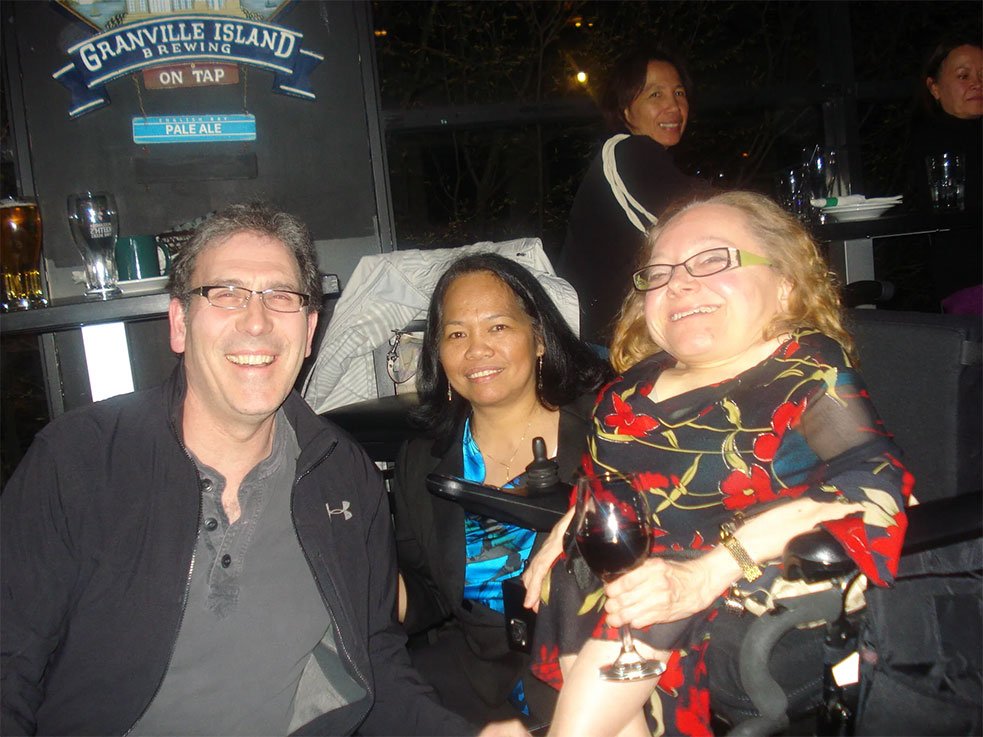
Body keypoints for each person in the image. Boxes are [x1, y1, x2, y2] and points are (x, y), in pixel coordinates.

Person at [0, 203, 527, 737]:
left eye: (282, 297)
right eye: (225, 293)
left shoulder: (344, 478)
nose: (257, 321)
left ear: (309, 330)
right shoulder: (80, 462)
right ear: (180, 323)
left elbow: (376, 667)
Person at [522, 191, 911, 736]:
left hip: (755, 585)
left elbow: (877, 486)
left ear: (784, 284)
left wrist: (712, 569)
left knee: (636, 598)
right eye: (659, 274)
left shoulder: (806, 367)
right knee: (583, 576)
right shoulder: (627, 391)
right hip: (634, 594)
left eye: (712, 260)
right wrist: (575, 520)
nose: (678, 283)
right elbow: (606, 482)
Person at [393, 253, 613, 728]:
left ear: (538, 337)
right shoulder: (422, 460)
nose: (476, 350)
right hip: (474, 679)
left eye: (496, 327)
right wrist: (374, 590)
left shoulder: (611, 430)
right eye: (456, 334)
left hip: (596, 677)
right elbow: (430, 589)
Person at [559, 44, 708, 346]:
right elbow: (694, 218)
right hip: (604, 344)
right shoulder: (625, 150)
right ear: (626, 110)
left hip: (625, 335)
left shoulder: (652, 162)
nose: (673, 106)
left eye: (679, 93)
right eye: (656, 95)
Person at [906, 34, 982, 308]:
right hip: (968, 279)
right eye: (964, 76)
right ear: (934, 88)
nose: (977, 83)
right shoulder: (932, 141)